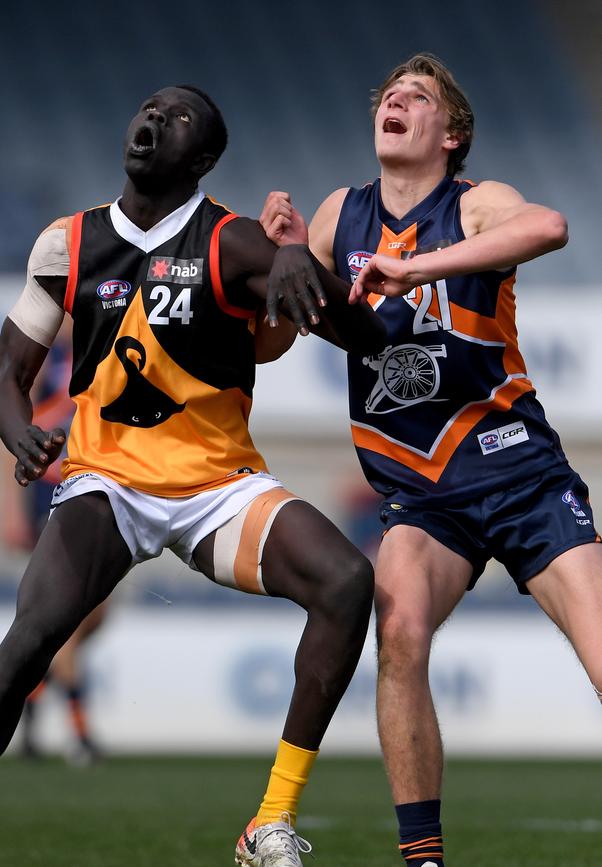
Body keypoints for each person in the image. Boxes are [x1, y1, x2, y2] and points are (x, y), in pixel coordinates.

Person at [0, 84, 388, 866]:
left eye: (177, 116)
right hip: (103, 480)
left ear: (205, 157)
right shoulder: (68, 242)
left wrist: (302, 261)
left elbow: (367, 339)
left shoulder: (237, 242)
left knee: (347, 581)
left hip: (217, 486)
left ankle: (269, 821)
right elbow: (2, 383)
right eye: (149, 108)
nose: (153, 119)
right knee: (30, 642)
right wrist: (21, 438)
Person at [259, 53, 602, 867]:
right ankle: (423, 858)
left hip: (518, 468)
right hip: (421, 491)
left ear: (450, 136)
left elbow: (549, 227)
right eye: (388, 95)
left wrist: (413, 268)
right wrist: (285, 263)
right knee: (400, 629)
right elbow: (273, 342)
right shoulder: (340, 214)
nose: (396, 102)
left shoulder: (477, 205)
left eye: (419, 97)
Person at [0, 321, 107, 765]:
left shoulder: (104, 342)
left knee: (93, 619)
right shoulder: (48, 360)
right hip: (57, 495)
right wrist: (9, 506)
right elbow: (13, 424)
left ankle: (32, 701)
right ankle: (80, 736)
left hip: (98, 488)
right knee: (72, 622)